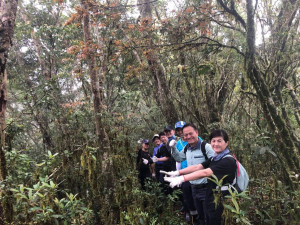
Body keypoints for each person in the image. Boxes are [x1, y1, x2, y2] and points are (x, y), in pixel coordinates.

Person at [163, 129, 237, 225]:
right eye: (213, 141)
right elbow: (198, 167)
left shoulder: (227, 160)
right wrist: (176, 172)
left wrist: (182, 178)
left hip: (222, 200)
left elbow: (205, 172)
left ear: (226, 143)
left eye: (219, 141)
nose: (216, 144)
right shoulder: (215, 158)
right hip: (212, 197)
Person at [166, 123, 215, 225]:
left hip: (207, 187)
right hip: (193, 186)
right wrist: (174, 148)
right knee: (200, 215)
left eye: (190, 133)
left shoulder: (206, 147)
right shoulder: (186, 148)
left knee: (209, 217)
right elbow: (179, 158)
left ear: (196, 132)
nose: (188, 136)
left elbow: (215, 164)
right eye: (185, 135)